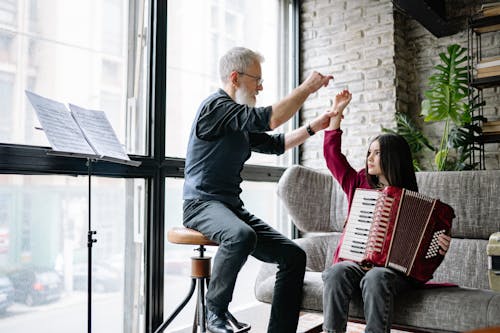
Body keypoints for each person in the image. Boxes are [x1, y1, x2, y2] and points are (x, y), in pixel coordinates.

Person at [183, 46, 334, 333]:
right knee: (241, 235)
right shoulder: (215, 108)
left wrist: (314, 127)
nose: (261, 87)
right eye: (257, 80)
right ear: (235, 77)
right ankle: (215, 312)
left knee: (293, 256)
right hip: (200, 204)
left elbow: (275, 144)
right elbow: (271, 118)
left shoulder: (236, 118)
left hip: (229, 207)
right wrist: (308, 88)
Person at [321, 90, 452, 333]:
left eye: (377, 152)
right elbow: (332, 157)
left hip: (394, 274)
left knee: (376, 277)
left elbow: (428, 256)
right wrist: (337, 114)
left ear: (393, 158)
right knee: (337, 271)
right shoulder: (358, 183)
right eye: (369, 152)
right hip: (356, 263)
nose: (369, 157)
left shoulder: (413, 200)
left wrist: (439, 246)